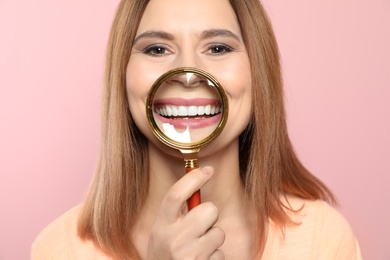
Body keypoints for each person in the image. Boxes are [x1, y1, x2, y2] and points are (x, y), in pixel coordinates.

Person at [31, 0, 363, 259]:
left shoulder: (323, 240)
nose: (187, 74)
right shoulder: (58, 250)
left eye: (218, 47)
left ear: (257, 72)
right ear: (123, 75)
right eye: (157, 49)